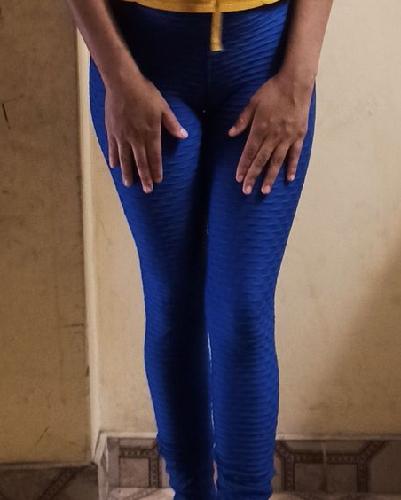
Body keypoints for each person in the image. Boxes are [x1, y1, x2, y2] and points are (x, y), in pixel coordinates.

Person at [65, 0, 333, 498]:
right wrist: (119, 79)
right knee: (173, 301)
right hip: (141, 57)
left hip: (266, 58)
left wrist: (297, 80)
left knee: (242, 312)